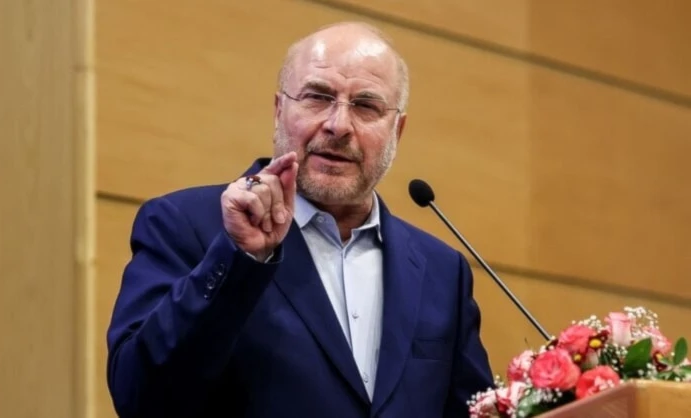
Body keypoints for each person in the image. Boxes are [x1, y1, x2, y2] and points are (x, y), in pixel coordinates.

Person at [106, 21, 493, 418]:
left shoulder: (442, 271)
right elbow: (140, 396)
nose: (338, 125)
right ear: (279, 111)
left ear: (398, 130)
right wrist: (239, 258)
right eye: (318, 97)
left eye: (366, 106)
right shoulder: (186, 225)